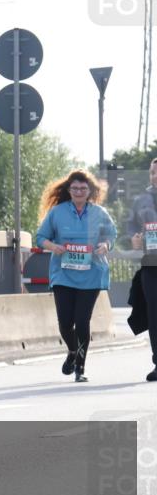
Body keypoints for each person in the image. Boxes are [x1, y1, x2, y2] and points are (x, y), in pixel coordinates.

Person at [36, 170, 117, 383]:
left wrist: (105, 245)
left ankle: (80, 367)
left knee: (82, 321)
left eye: (83, 188)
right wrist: (53, 246)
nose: (79, 191)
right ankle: (73, 351)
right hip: (63, 275)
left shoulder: (99, 213)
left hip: (91, 274)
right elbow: (40, 237)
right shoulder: (57, 212)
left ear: (90, 190)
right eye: (75, 188)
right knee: (65, 323)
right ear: (69, 190)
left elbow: (111, 234)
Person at [126, 157, 157, 382]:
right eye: (153, 173)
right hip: (151, 264)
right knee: (154, 316)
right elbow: (131, 228)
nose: (155, 177)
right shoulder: (141, 200)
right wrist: (134, 240)